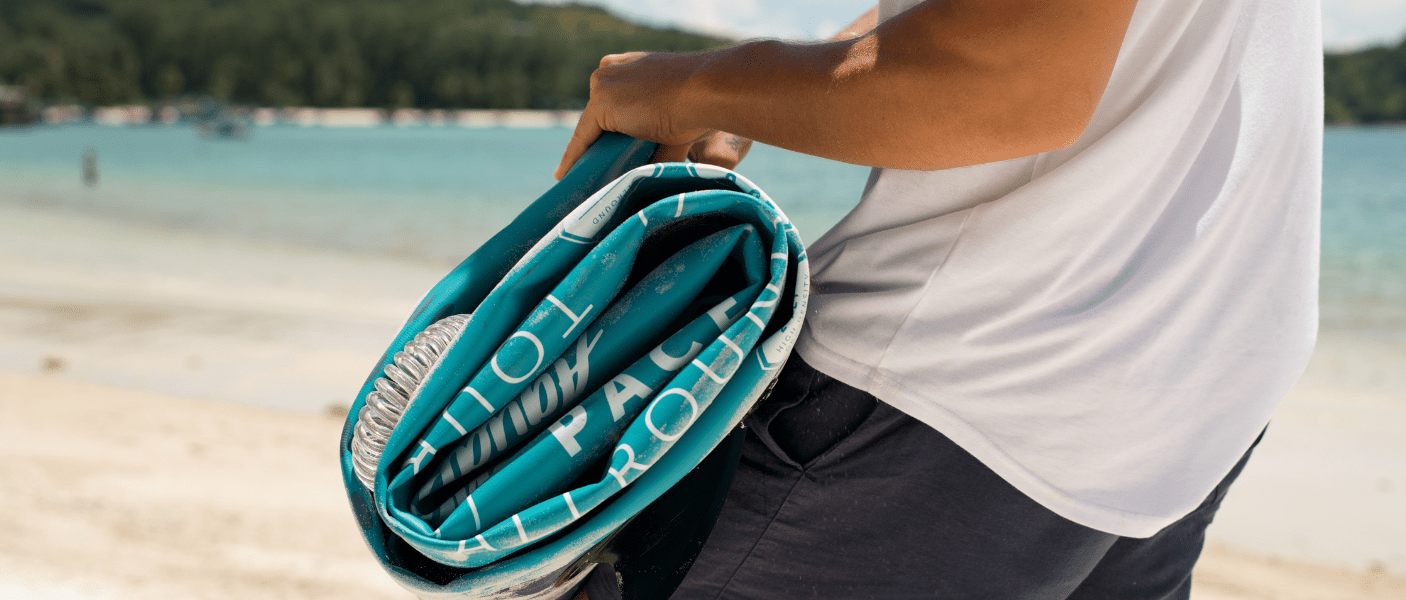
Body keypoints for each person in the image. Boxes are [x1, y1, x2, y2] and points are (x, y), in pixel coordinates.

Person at [560, 0, 1322, 596]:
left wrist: (690, 86)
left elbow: (1014, 73)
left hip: (977, 369)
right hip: (1198, 371)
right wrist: (743, 91)